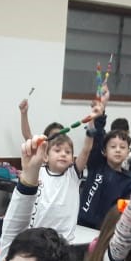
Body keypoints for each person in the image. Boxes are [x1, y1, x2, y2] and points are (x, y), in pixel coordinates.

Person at [29, 97, 105, 243]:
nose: (63, 154)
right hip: (38, 238)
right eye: (57, 150)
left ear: (72, 159)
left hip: (64, 241)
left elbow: (87, 148)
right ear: (46, 156)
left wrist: (91, 122)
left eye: (68, 152)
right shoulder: (39, 172)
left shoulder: (73, 174)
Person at [78, 89, 131, 229]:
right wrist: (102, 108)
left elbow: (126, 210)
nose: (118, 150)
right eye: (113, 146)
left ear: (128, 152)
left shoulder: (129, 181)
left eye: (122, 147)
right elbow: (98, 137)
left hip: (106, 231)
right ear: (104, 151)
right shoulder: (96, 164)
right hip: (81, 225)